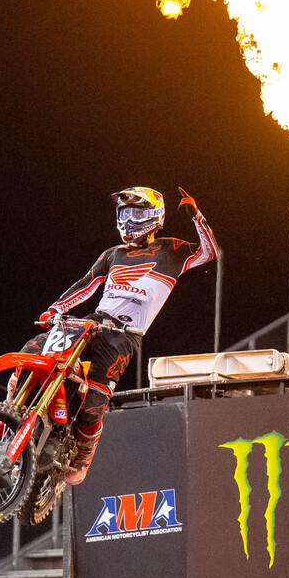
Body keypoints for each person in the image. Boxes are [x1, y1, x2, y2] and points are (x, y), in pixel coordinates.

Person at [32, 186, 216, 483]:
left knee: (96, 398)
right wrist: (54, 310)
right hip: (93, 322)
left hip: (124, 334)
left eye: (136, 213)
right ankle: (8, 418)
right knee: (36, 350)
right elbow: (86, 285)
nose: (129, 220)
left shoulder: (172, 250)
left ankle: (82, 457)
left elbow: (210, 251)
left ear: (154, 216)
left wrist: (196, 215)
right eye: (124, 213)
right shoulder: (113, 254)